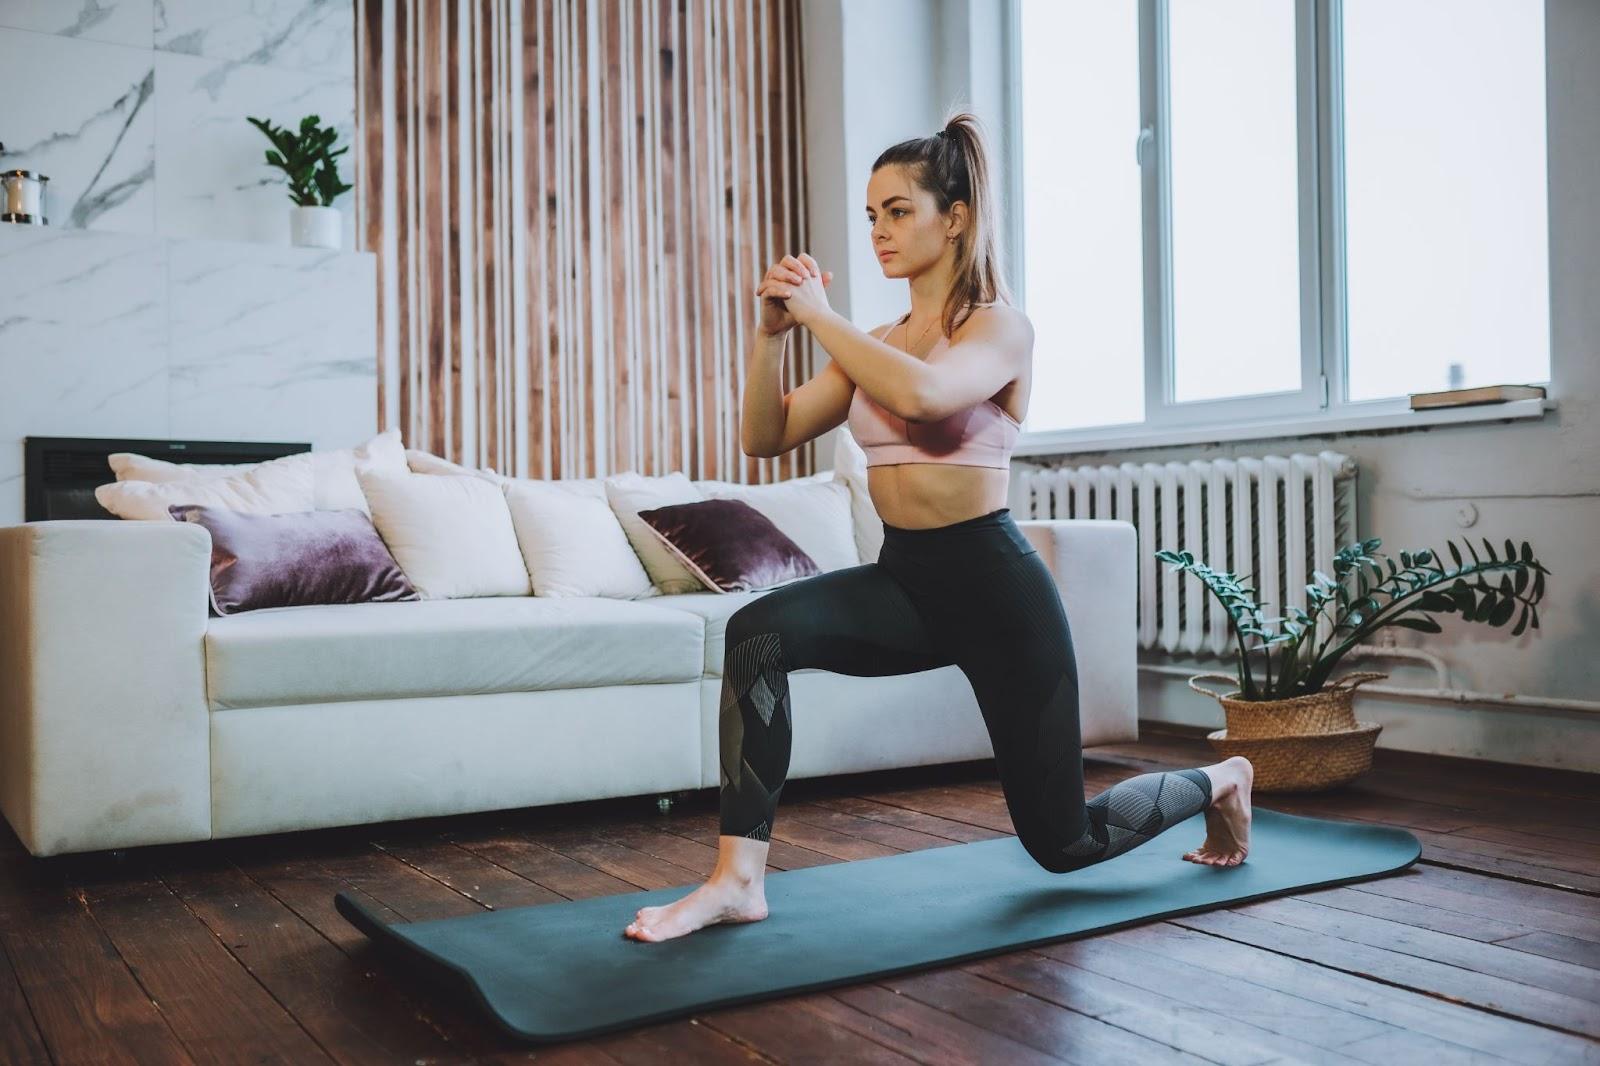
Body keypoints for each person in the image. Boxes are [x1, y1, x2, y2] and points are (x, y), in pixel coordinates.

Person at [624, 112, 1253, 944]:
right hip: (905, 580)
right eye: (871, 216)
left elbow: (926, 396)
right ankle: (737, 880)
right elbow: (765, 437)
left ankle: (1225, 781)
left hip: (996, 590)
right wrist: (771, 337)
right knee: (757, 633)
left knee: (1065, 843)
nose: (880, 231)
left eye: (898, 211)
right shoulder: (872, 343)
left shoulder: (998, 326)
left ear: (953, 218)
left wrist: (819, 317)